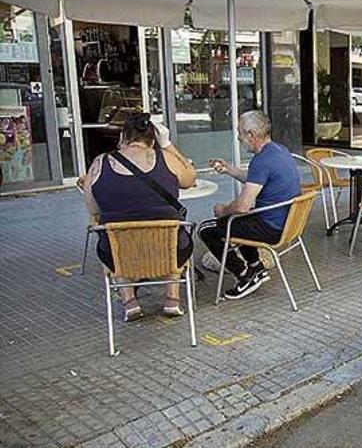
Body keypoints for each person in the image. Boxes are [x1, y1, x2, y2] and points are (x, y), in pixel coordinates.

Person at [82, 113, 197, 321]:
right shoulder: (167, 159)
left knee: (114, 236)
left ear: (123, 136)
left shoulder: (100, 163)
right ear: (153, 139)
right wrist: (168, 144)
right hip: (170, 253)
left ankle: (130, 303)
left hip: (121, 257)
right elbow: (190, 178)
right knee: (172, 233)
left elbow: (93, 209)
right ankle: (172, 300)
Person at [198, 110, 301, 300]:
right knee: (240, 221)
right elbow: (256, 179)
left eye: (240, 132)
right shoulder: (279, 151)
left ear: (251, 135)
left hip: (271, 228)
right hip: (287, 224)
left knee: (207, 229)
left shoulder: (262, 160)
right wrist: (229, 170)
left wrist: (222, 211)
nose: (238, 138)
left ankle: (245, 277)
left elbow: (242, 206)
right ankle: (256, 267)